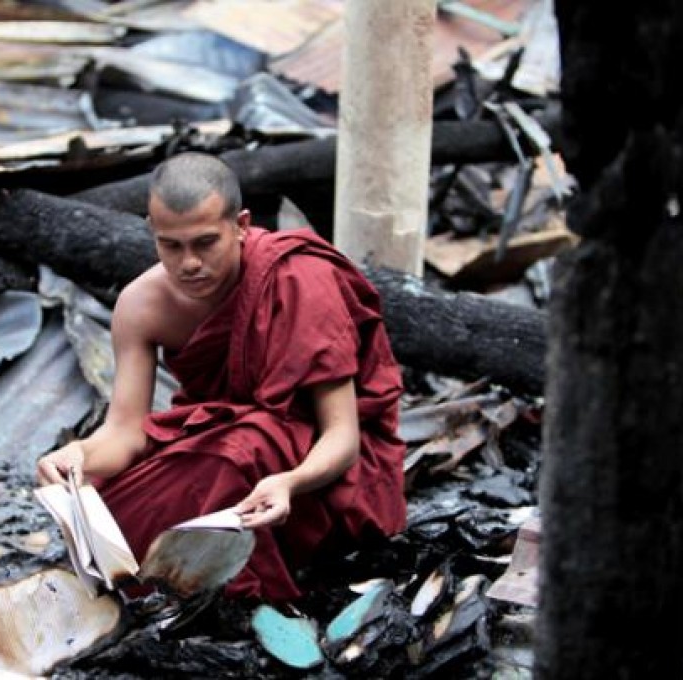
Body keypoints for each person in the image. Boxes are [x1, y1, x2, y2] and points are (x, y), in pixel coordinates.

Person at [37, 152, 406, 601]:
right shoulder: (141, 306)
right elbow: (126, 432)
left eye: (205, 242)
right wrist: (79, 454)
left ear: (242, 224)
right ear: (152, 232)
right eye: (171, 245)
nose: (189, 263)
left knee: (241, 448)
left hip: (316, 478)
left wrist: (290, 482)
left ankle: (236, 590)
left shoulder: (298, 279)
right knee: (110, 509)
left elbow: (343, 437)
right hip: (223, 446)